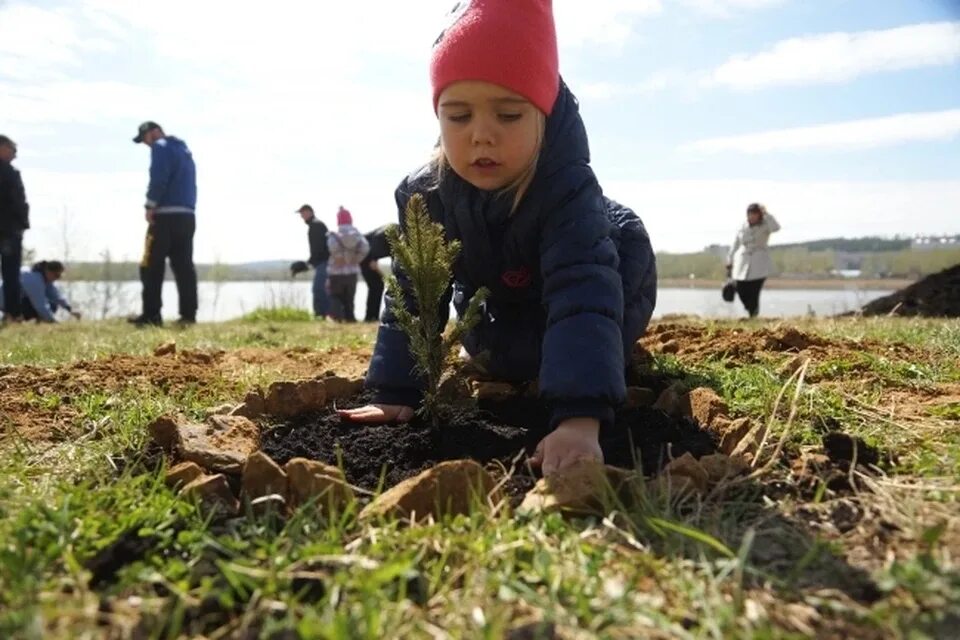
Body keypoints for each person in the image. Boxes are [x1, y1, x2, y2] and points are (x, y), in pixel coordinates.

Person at [339, 0, 657, 476]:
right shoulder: (426, 194)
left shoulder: (568, 191)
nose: (481, 136)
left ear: (542, 117)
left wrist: (578, 418)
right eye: (458, 116)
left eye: (508, 115)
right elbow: (412, 290)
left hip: (610, 267)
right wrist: (396, 392)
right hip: (502, 294)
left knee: (584, 315)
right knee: (507, 355)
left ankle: (595, 364)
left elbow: (583, 292)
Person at [129, 121, 198, 327]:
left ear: (155, 132)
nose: (146, 144)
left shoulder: (160, 147)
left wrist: (150, 205)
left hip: (165, 216)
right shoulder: (184, 150)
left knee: (150, 265)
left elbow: (159, 177)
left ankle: (151, 315)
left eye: (145, 139)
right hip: (187, 216)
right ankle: (188, 315)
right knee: (184, 266)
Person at [725, 202, 781, 318]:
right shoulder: (743, 227)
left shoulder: (766, 224)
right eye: (750, 214)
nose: (752, 216)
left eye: (755, 214)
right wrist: (729, 259)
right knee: (741, 289)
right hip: (742, 261)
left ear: (759, 215)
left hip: (759, 263)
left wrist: (767, 214)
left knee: (754, 291)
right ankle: (750, 308)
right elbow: (735, 244)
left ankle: (753, 315)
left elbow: (776, 228)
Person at [0, 135, 29, 324]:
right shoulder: (9, 173)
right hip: (9, 230)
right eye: (13, 150)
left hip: (9, 229)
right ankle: (13, 314)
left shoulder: (10, 171)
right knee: (11, 273)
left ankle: (12, 314)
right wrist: (22, 224)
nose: (15, 155)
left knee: (11, 274)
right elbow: (18, 203)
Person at [326, 206, 369, 323]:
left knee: (335, 296)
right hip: (352, 271)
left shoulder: (334, 234)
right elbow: (365, 247)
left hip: (336, 272)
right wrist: (357, 258)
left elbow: (332, 246)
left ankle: (338, 317)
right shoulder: (357, 234)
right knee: (349, 298)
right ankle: (350, 318)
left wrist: (339, 257)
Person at [0, 261, 81, 323]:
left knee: (53, 304)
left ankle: (10, 317)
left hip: (10, 301)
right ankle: (12, 318)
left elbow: (56, 296)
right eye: (57, 276)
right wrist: (53, 322)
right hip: (5, 302)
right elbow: (40, 306)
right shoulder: (34, 280)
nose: (57, 279)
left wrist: (70, 309)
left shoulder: (42, 276)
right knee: (48, 306)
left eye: (59, 276)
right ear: (49, 272)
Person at [290, 204, 332, 318]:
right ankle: (324, 315)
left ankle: (321, 315)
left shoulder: (315, 225)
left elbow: (319, 249)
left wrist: (309, 263)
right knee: (321, 289)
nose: (301, 216)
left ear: (310, 212)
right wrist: (309, 264)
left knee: (318, 289)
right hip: (322, 262)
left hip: (323, 262)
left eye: (303, 213)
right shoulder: (316, 225)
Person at [360, 225, 392, 322]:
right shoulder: (391, 231)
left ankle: (372, 316)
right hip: (364, 255)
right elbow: (372, 264)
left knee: (377, 285)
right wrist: (374, 259)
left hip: (368, 256)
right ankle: (370, 316)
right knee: (375, 286)